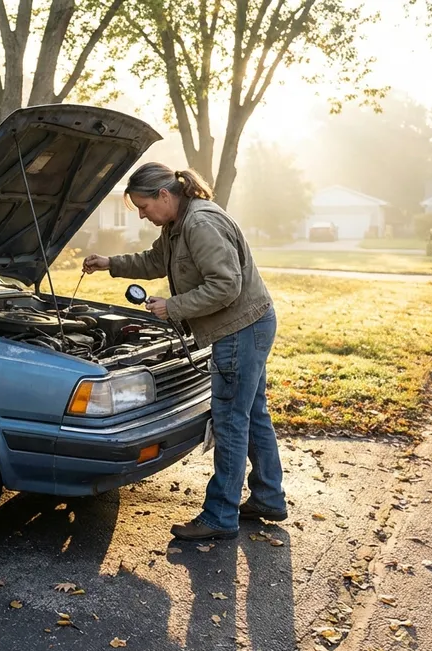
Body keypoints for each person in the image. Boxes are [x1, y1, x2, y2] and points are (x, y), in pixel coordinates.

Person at [81, 163, 286, 542]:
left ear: (164, 195)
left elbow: (226, 285)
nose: (142, 215)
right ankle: (268, 497)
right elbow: (155, 261)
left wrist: (173, 307)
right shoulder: (177, 224)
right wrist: (110, 264)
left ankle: (220, 516)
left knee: (229, 420)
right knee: (252, 413)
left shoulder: (200, 224)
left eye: (143, 206)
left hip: (240, 330)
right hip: (249, 325)